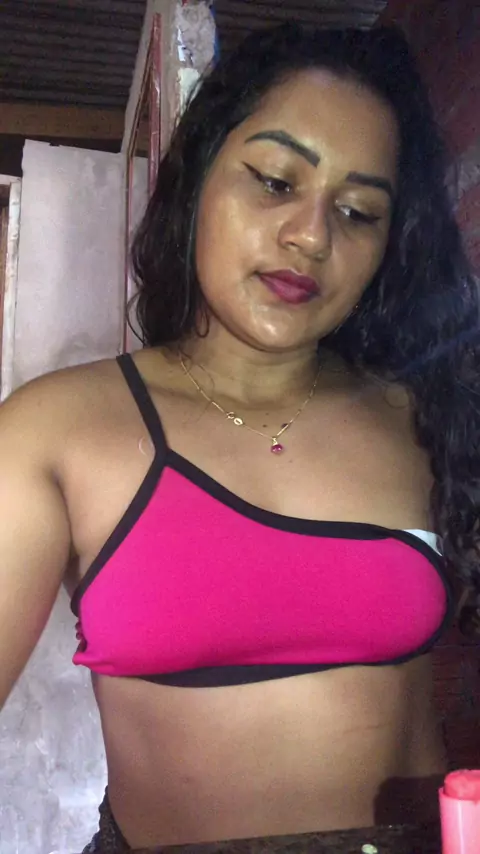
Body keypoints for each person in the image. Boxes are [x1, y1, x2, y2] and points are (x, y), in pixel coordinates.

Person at [1, 21, 479, 854]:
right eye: (275, 181)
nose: (312, 235)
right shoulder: (57, 431)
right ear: (197, 180)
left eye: (358, 211)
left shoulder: (425, 415)